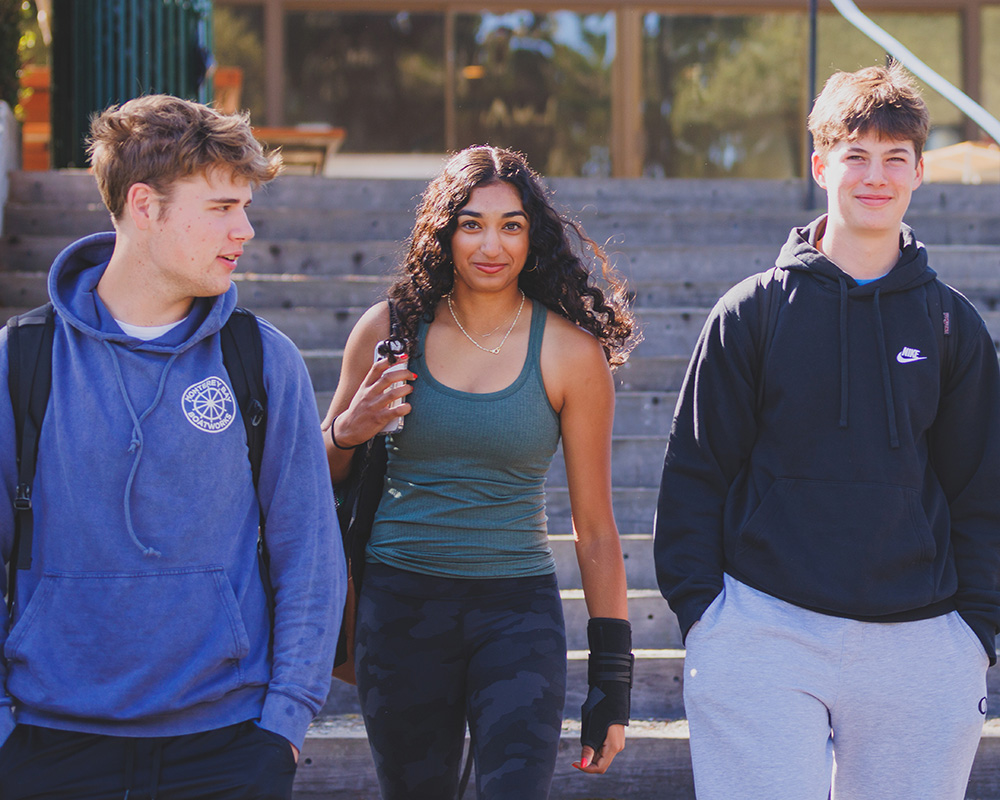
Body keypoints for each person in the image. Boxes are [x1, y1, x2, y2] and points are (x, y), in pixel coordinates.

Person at [654, 63, 1000, 800]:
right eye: (856, 155)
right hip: (764, 629)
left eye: (894, 158)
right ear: (821, 165)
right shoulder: (752, 312)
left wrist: (973, 635)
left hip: (921, 640)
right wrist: (706, 619)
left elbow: (981, 490)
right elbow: (695, 474)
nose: (874, 176)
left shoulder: (952, 326)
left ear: (918, 172)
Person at [0, 95, 345, 799]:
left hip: (226, 749)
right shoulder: (21, 361)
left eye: (245, 206)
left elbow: (309, 551)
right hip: (46, 746)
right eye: (221, 207)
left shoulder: (260, 359)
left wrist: (284, 722)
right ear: (144, 205)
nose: (244, 229)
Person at [322, 145, 638, 799]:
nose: (490, 244)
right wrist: (351, 427)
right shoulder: (387, 331)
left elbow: (597, 530)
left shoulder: (571, 353)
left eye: (510, 225)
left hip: (515, 614)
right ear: (444, 230)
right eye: (471, 223)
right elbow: (312, 476)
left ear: (533, 236)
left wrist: (612, 679)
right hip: (400, 610)